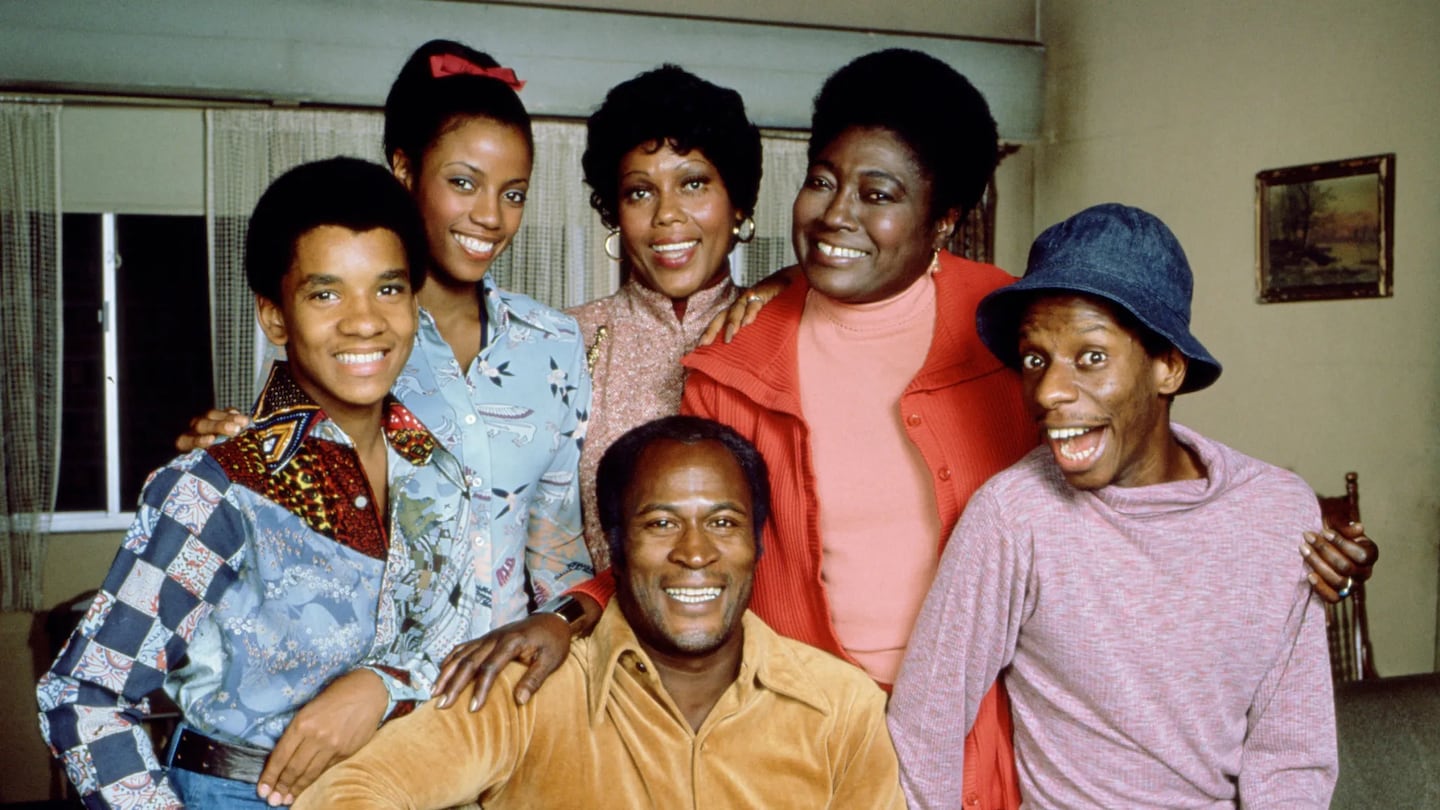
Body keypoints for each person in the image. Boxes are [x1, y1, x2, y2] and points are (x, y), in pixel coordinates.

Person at [432, 48, 1375, 809]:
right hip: (800, 732)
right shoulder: (730, 355)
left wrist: (1296, 542)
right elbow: (695, 545)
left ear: (946, 220)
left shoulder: (1019, 326)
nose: (835, 216)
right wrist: (574, 611)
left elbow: (1137, 448)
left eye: (878, 194)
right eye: (824, 182)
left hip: (987, 740)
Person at [37, 157, 472, 808]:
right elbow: (83, 694)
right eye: (326, 293)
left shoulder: (437, 470)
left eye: (388, 289)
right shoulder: (221, 483)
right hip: (239, 790)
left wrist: (382, 682)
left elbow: (452, 637)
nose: (364, 321)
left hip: (404, 787)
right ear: (275, 318)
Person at [889, 203, 1338, 808]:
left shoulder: (1277, 512)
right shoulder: (1016, 514)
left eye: (1092, 357)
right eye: (1034, 358)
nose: (1047, 391)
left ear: (1168, 368)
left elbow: (1291, 756)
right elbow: (926, 727)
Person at [179, 41, 595, 646]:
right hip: (368, 707)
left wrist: (560, 627)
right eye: (463, 182)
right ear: (404, 171)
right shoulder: (354, 345)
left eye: (513, 193)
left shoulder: (555, 344)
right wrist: (223, 449)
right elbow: (285, 542)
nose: (492, 217)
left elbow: (560, 555)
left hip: (512, 701)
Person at [293, 416, 906, 809]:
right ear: (613, 545)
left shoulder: (841, 709)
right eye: (660, 523)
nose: (695, 553)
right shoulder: (525, 691)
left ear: (758, 544)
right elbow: (348, 794)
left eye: (723, 523)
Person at [568, 64, 763, 569]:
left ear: (738, 204)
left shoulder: (784, 332)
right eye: (640, 191)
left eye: (693, 183)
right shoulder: (563, 341)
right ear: (615, 211)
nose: (666, 215)